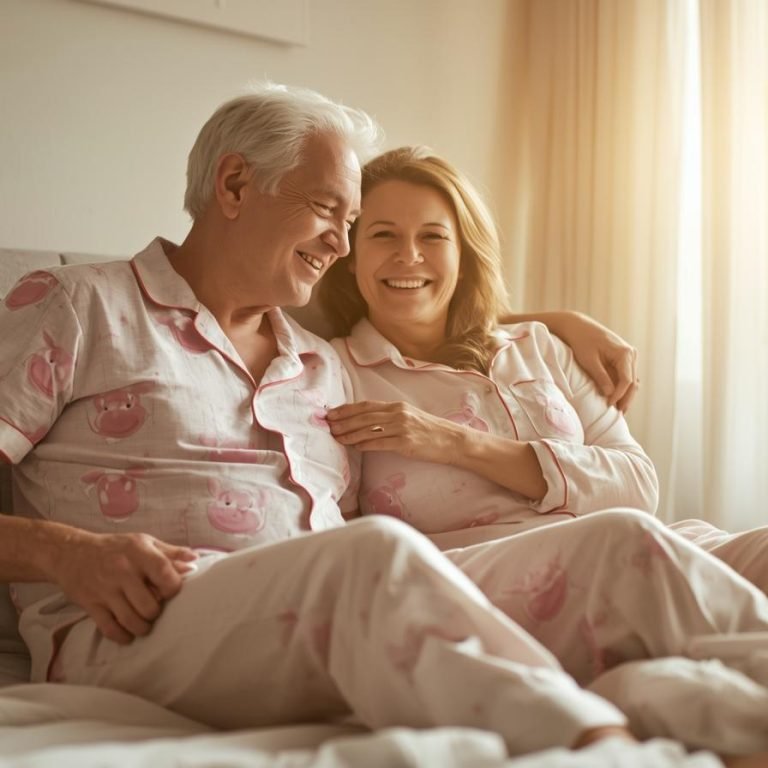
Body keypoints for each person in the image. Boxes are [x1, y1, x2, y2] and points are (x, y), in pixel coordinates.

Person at [1, 86, 768, 765]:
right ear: (234, 183)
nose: (340, 243)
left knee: (618, 542)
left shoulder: (316, 361)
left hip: (324, 609)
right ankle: (600, 749)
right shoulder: (76, 306)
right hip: (136, 623)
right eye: (331, 210)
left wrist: (555, 321)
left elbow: (435, 322)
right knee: (369, 555)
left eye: (350, 220)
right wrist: (68, 553)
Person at [321, 146, 768, 589]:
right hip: (504, 582)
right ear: (351, 255)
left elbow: (637, 485)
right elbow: (345, 539)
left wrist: (456, 443)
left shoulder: (541, 345)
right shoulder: (337, 373)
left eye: (433, 237)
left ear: (464, 255)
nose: (410, 255)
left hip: (635, 548)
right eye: (383, 235)